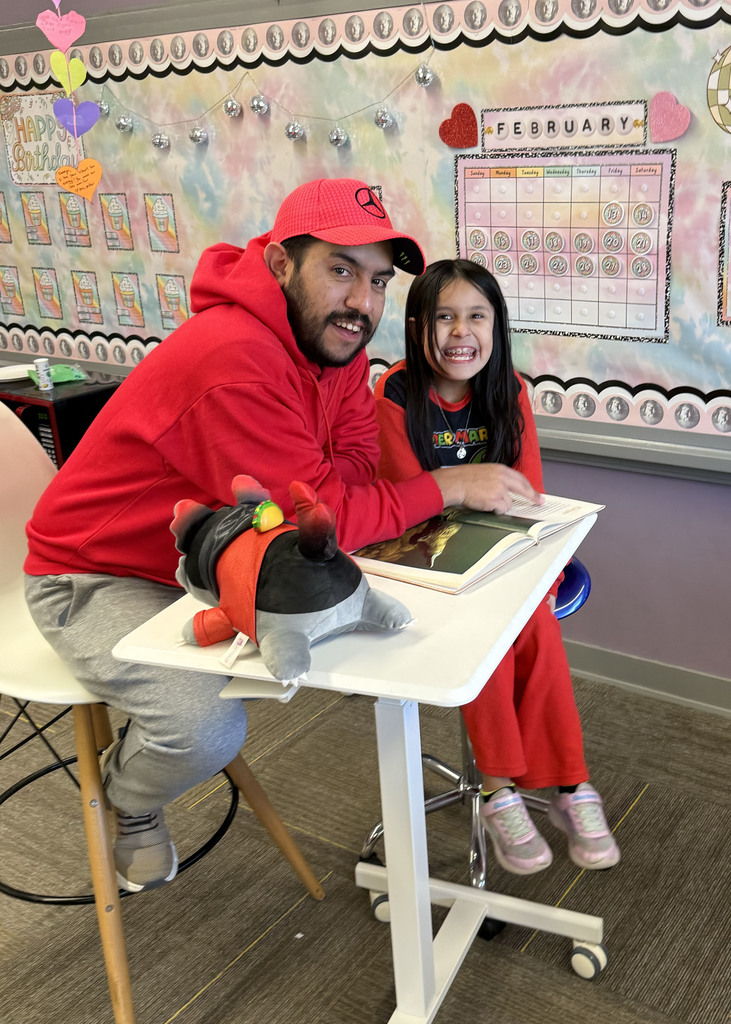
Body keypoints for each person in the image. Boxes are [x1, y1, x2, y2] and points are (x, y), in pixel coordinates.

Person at [24, 179, 531, 895]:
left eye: (377, 281)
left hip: (214, 558)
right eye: (341, 269)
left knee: (360, 633)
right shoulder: (232, 357)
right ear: (280, 264)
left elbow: (349, 470)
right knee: (205, 730)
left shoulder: (333, 345)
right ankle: (128, 797)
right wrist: (446, 485)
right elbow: (319, 518)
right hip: (96, 574)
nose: (362, 302)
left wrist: (331, 496)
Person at [373, 259, 620, 875]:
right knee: (491, 631)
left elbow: (528, 493)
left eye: (476, 316)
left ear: (496, 325)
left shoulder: (508, 389)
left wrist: (538, 571)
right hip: (427, 554)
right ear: (417, 326)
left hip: (502, 546)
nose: (461, 332)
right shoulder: (396, 395)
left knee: (533, 620)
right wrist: (466, 494)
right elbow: (408, 501)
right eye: (444, 317)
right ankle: (499, 788)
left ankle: (569, 786)